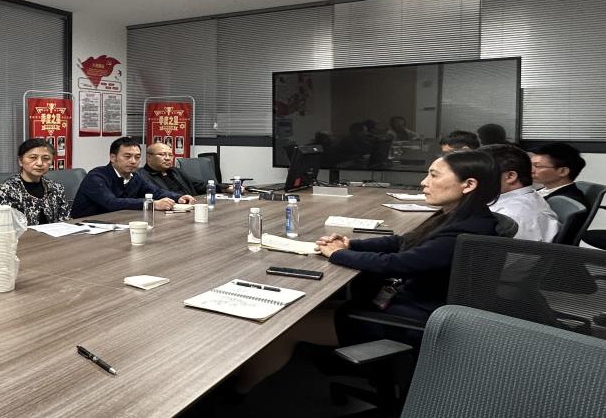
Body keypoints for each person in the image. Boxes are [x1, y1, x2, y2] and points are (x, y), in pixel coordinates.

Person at [234, 150, 515, 393]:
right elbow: (403, 242)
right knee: (304, 307)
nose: (423, 182)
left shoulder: (464, 231)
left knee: (285, 327)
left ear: (468, 184)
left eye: (433, 175)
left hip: (413, 319)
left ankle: (232, 395)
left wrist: (339, 254)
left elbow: (398, 263)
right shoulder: (461, 216)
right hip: (417, 303)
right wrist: (351, 244)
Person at [71, 136, 193, 218]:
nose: (133, 161)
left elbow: (156, 192)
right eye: (127, 156)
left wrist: (178, 197)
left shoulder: (134, 177)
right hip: (85, 227)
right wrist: (152, 204)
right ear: (113, 157)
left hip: (118, 222)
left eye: (137, 157)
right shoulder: (96, 176)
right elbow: (111, 203)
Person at [481, 143, 559, 242]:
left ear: (510, 177)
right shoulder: (519, 199)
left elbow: (510, 253)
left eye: (479, 174)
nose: (472, 181)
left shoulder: (515, 217)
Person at [0, 138, 71, 225]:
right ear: (20, 161)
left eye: (46, 158)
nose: (40, 163)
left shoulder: (56, 188)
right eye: (33, 158)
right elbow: (7, 227)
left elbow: (65, 222)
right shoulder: (5, 190)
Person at [529, 142, 588, 207]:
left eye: (537, 166)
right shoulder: (546, 190)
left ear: (563, 171)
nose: (530, 170)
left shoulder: (565, 203)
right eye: (530, 165)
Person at [138, 141, 206, 196]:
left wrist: (211, 188)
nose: (168, 158)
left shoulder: (175, 171)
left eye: (170, 155)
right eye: (162, 154)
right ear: (149, 157)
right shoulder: (141, 176)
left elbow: (199, 185)